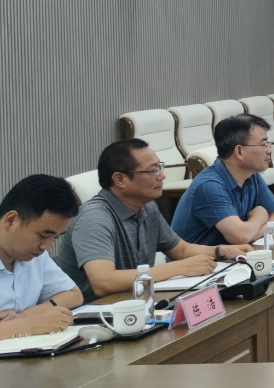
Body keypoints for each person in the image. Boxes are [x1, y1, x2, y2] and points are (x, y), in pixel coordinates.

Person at [56, 140, 251, 302]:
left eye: (160, 167)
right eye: (153, 171)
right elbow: (103, 282)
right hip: (96, 316)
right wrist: (178, 268)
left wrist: (221, 251)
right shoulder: (94, 218)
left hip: (136, 302)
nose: (162, 176)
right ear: (120, 179)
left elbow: (181, 250)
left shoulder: (147, 207)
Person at [171, 114, 274, 246]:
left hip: (229, 255)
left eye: (268, 144)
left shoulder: (252, 176)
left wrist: (253, 233)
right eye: (264, 145)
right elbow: (240, 237)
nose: (270, 151)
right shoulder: (209, 185)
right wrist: (259, 216)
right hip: (196, 258)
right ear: (239, 151)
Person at [0, 175, 83, 340]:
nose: (46, 246)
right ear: (11, 220)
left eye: (55, 238)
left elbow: (73, 294)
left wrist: (24, 317)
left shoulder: (34, 255)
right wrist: (28, 325)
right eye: (43, 235)